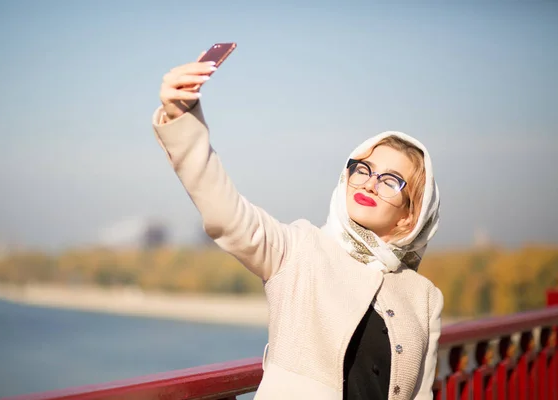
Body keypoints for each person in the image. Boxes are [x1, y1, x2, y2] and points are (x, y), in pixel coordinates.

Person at [152, 54, 443, 400]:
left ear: (411, 214)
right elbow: (225, 212)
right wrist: (180, 118)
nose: (368, 184)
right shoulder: (301, 249)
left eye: (390, 181)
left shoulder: (424, 298)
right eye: (363, 169)